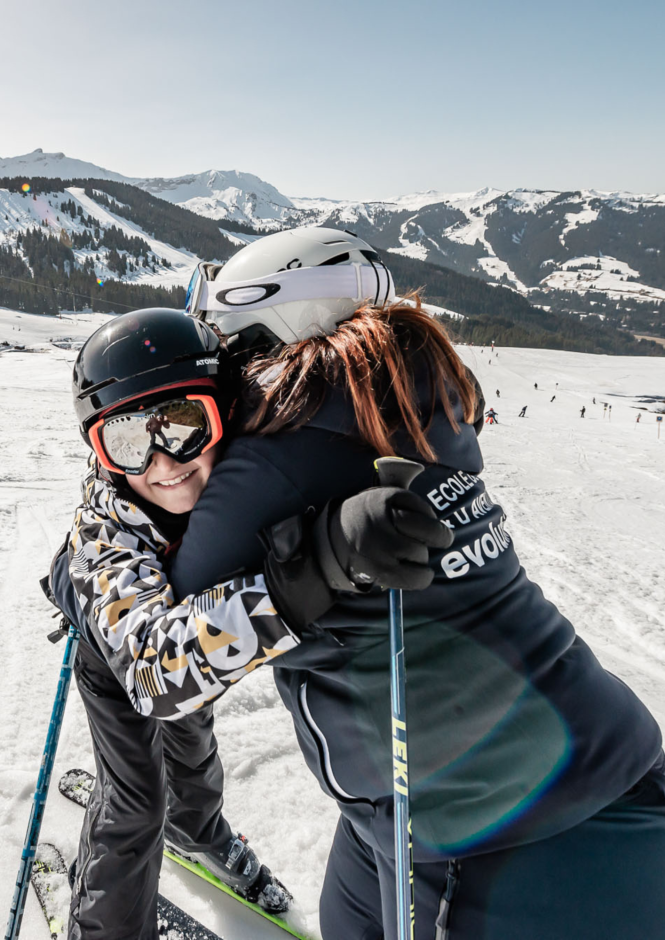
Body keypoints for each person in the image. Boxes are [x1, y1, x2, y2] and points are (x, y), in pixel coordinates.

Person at [168, 227, 664, 940]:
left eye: (233, 344)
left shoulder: (274, 458)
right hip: (548, 766)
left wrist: (91, 550)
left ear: (273, 332)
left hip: (488, 826)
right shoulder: (421, 401)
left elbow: (172, 620)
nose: (226, 368)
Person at [49, 306, 441, 940]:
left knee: (194, 758)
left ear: (223, 411)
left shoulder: (246, 467)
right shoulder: (106, 534)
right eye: (125, 442)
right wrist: (310, 573)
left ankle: (197, 831)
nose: (160, 462)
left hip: (197, 638)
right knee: (136, 800)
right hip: (123, 661)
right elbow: (154, 675)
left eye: (183, 425)